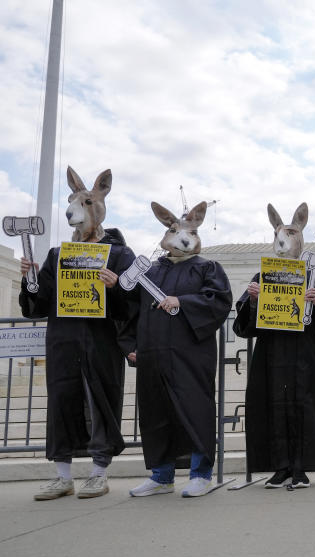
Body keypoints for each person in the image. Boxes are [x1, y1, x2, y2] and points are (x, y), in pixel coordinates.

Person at [22, 166, 136, 501]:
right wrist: (30, 278)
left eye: (85, 202)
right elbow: (39, 302)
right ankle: (62, 475)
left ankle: (99, 473)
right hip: (63, 341)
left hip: (100, 343)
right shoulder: (58, 256)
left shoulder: (118, 254)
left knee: (99, 401)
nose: (77, 208)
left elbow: (133, 303)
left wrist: (116, 287)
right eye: (74, 201)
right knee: (62, 402)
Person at [126, 202, 233, 498]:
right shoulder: (150, 270)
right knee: (155, 413)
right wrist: (131, 345)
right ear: (167, 232)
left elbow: (220, 301)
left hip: (191, 355)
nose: (183, 238)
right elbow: (131, 310)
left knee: (194, 410)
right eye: (176, 231)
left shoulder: (207, 268)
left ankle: (201, 474)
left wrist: (183, 302)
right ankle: (161, 477)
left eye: (190, 232)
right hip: (153, 353)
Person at [233, 270, 315, 488]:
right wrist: (254, 301)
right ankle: (280, 467)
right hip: (271, 353)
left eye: (291, 232)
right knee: (273, 406)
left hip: (306, 354)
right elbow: (244, 327)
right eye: (278, 232)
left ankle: (301, 468)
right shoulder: (263, 276)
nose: (282, 236)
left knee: (305, 407)